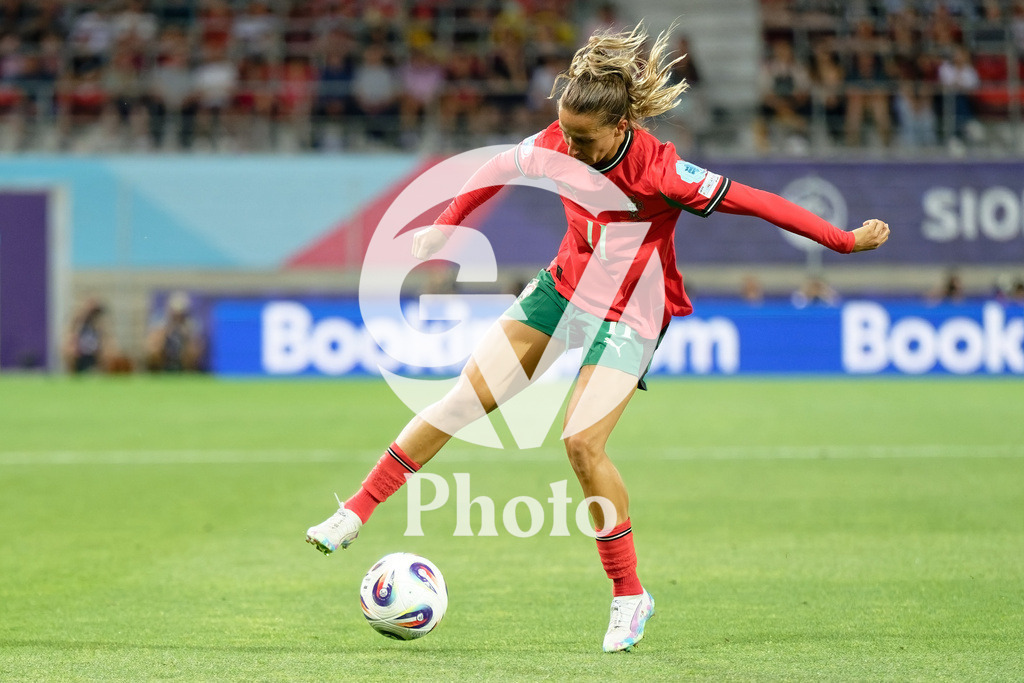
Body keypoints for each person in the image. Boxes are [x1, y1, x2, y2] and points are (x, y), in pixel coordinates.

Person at [305, 22, 890, 653]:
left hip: (632, 313)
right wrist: (446, 227)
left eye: (584, 140)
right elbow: (495, 168)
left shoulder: (663, 173)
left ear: (620, 129)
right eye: (566, 134)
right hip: (563, 289)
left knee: (582, 444)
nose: (570, 150)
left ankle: (629, 596)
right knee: (460, 402)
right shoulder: (561, 138)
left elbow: (756, 202)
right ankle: (356, 512)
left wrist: (840, 240)